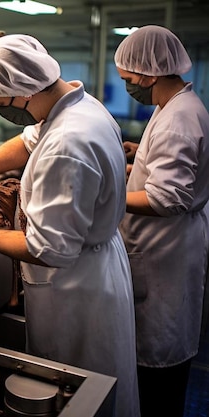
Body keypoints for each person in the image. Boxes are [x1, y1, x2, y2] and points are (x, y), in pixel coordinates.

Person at [0, 34, 140, 417]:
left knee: (74, 393)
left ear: (22, 92)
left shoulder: (68, 144)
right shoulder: (76, 106)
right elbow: (28, 142)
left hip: (76, 292)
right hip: (94, 268)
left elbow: (49, 249)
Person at [114, 25, 209, 417]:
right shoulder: (174, 106)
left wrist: (109, 199)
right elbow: (173, 169)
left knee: (159, 359)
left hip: (162, 253)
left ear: (149, 74)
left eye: (128, 79)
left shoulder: (178, 120)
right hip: (166, 247)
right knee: (157, 348)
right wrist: (142, 156)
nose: (127, 85)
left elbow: (167, 198)